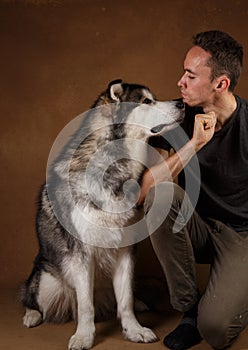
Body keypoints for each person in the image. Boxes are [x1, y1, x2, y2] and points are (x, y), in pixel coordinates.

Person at [139, 30, 248, 349]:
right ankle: (190, 309)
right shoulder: (179, 116)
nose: (180, 82)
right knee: (162, 195)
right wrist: (193, 145)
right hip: (196, 228)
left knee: (215, 331)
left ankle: (230, 297)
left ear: (221, 83)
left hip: (242, 237)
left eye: (190, 75)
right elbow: (144, 191)